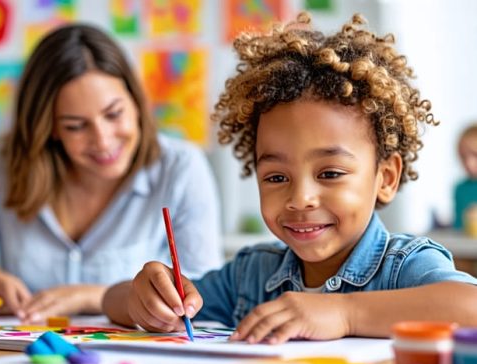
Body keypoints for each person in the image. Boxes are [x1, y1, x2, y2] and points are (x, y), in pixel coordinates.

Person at [103, 12, 477, 343]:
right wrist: (144, 297)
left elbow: (470, 306)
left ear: (387, 177)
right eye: (277, 177)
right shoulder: (250, 275)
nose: (301, 199)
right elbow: (114, 302)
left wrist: (344, 313)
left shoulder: (404, 267)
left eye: (330, 173)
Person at [0, 24, 223, 323]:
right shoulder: (0, 166)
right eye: (75, 126)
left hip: (131, 362)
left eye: (114, 114)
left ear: (137, 102)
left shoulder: (181, 168)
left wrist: (91, 296)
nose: (103, 141)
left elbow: (204, 288)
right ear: (49, 127)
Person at [453, 124, 477, 230]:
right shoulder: (460, 189)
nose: (469, 163)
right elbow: (458, 226)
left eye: (475, 154)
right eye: (463, 157)